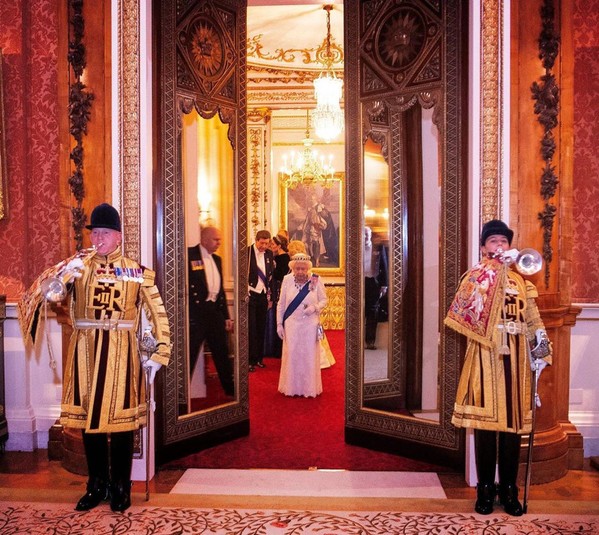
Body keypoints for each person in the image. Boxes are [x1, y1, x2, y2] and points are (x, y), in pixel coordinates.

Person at [18, 203, 170, 513]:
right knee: (89, 421)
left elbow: (158, 313)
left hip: (122, 353)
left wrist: (159, 352)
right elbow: (49, 296)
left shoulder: (136, 272)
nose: (98, 239)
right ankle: (96, 484)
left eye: (105, 233)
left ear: (118, 236)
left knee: (122, 424)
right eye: (95, 233)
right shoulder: (78, 267)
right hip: (84, 352)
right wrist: (61, 278)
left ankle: (121, 485)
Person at [444, 219, 552, 517]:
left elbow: (533, 319)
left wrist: (541, 346)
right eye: (494, 241)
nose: (500, 245)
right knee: (484, 428)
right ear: (483, 247)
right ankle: (485, 489)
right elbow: (463, 313)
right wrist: (491, 273)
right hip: (485, 358)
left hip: (516, 362)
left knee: (512, 430)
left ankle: (508, 489)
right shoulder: (475, 277)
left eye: (504, 241)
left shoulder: (522, 283)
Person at [188, 226, 234, 396]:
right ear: (205, 239)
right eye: (216, 240)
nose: (219, 243)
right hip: (197, 314)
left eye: (220, 240)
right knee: (190, 354)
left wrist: (226, 317)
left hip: (215, 313)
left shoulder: (217, 259)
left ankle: (230, 390)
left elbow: (221, 292)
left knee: (222, 353)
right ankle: (180, 395)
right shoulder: (189, 255)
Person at [276, 253, 328, 397]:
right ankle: (291, 388)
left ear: (308, 268)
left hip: (310, 324)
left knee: (308, 355)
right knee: (292, 355)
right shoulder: (287, 280)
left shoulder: (315, 279)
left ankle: (308, 389)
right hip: (291, 323)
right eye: (297, 269)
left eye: (303, 269)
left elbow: (324, 300)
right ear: (292, 268)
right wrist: (279, 324)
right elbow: (281, 304)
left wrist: (315, 308)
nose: (300, 271)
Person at [248, 229, 274, 371]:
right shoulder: (247, 253)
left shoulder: (269, 254)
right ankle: (250, 361)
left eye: (266, 244)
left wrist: (271, 298)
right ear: (256, 240)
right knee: (251, 329)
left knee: (261, 328)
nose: (264, 246)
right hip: (250, 294)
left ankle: (258, 359)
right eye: (262, 243)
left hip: (263, 296)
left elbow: (270, 277)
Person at [263, 234, 290, 358]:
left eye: (272, 244)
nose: (270, 246)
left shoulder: (283, 258)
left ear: (279, 246)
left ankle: (276, 349)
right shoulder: (276, 257)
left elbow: (280, 276)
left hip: (279, 291)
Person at [363, 226, 388, 350]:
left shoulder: (378, 247)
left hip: (374, 282)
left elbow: (384, 264)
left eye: (367, 233)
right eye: (364, 234)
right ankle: (358, 340)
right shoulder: (356, 248)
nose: (366, 236)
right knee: (359, 310)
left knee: (373, 312)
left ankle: (370, 341)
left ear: (371, 234)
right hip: (361, 282)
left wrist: (384, 285)